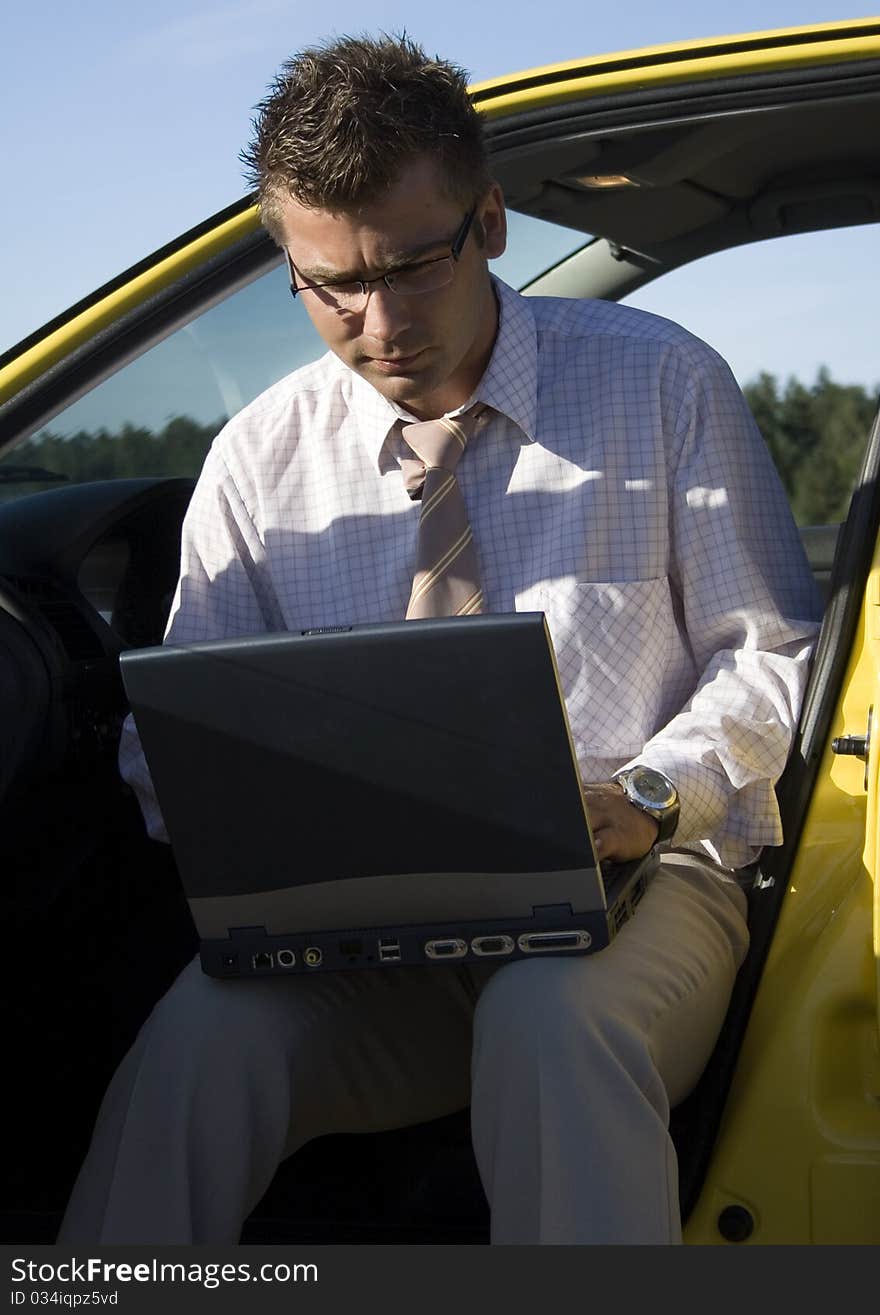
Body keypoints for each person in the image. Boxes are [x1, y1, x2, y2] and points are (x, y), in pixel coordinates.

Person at [57, 32, 821, 1246]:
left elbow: (773, 655)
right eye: (330, 286)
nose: (378, 321)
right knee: (197, 1041)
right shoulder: (257, 459)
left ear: (493, 222)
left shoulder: (664, 383)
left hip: (645, 877)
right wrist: (276, 826)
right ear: (289, 264)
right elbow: (168, 746)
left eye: (415, 265)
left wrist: (643, 795)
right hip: (357, 924)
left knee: (548, 1020)